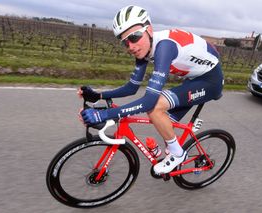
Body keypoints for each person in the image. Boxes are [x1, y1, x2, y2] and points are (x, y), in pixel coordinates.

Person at [79, 5, 223, 174]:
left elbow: (148, 102)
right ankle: (175, 151)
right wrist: (98, 95)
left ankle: (178, 155)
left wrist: (103, 114)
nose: (130, 46)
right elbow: (132, 88)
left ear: (150, 30)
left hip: (210, 81)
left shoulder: (165, 47)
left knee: (155, 108)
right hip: (193, 79)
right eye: (125, 42)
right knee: (163, 121)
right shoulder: (144, 49)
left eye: (134, 37)